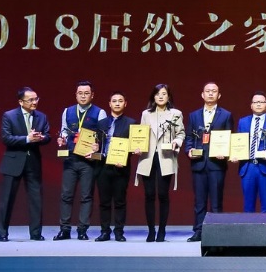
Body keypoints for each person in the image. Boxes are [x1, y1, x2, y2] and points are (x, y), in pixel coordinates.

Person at [54, 80, 107, 240]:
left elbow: (103, 136)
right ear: (76, 95)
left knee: (86, 196)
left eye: (86, 93)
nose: (83, 96)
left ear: (92, 95)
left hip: (88, 161)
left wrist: (98, 146)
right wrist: (62, 139)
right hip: (70, 159)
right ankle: (65, 229)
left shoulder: (100, 112)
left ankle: (82, 230)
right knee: (66, 195)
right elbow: (64, 130)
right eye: (80, 93)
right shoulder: (67, 111)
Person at [0, 87, 49, 241]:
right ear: (21, 102)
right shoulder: (9, 116)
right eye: (30, 100)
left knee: (36, 199)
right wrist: (27, 139)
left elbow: (48, 136)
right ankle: (2, 233)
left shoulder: (41, 116)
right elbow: (6, 138)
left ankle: (36, 233)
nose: (34, 102)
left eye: (36, 99)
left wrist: (41, 138)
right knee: (7, 199)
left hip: (33, 162)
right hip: (14, 162)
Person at [184, 82, 233, 242]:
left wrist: (225, 153)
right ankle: (198, 231)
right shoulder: (194, 115)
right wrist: (189, 150)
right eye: (208, 91)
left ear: (219, 95)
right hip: (198, 163)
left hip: (217, 165)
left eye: (214, 91)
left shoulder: (226, 115)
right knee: (199, 201)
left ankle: (216, 232)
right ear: (202, 94)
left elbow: (229, 137)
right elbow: (189, 137)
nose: (211, 94)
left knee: (216, 201)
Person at [136, 83, 184, 242]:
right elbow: (140, 134)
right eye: (157, 94)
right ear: (153, 97)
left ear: (168, 97)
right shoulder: (146, 114)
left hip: (166, 156)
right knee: (149, 195)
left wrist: (177, 141)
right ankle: (151, 230)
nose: (161, 96)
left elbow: (181, 133)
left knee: (163, 194)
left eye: (164, 94)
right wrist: (137, 146)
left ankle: (162, 230)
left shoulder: (176, 113)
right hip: (147, 157)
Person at [94, 92, 134, 242]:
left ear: (125, 104)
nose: (117, 103)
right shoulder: (101, 123)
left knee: (120, 201)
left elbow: (133, 145)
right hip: (103, 165)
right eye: (114, 101)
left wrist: (131, 152)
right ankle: (105, 231)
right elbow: (96, 143)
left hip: (121, 166)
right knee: (104, 201)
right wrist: (94, 147)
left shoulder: (131, 123)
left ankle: (119, 232)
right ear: (109, 104)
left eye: (120, 101)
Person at [236, 92, 266, 214]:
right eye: (255, 102)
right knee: (248, 205)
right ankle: (248, 227)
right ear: (251, 105)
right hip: (248, 167)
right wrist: (235, 154)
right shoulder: (243, 122)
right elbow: (237, 142)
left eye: (261, 102)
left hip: (265, 167)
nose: (258, 104)